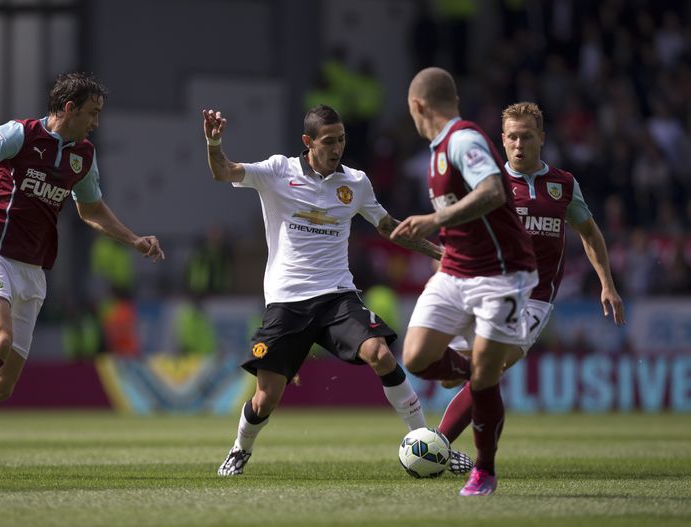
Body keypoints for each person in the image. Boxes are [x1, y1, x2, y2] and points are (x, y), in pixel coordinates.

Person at [202, 104, 471, 477]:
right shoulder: (279, 170)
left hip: (337, 297)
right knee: (266, 398)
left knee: (380, 352)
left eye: (341, 140)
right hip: (287, 301)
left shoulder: (356, 183)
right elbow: (223, 172)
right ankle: (239, 449)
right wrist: (214, 143)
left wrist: (439, 253)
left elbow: (389, 226)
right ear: (307, 142)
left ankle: (429, 442)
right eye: (328, 141)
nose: (337, 148)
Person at [0, 72, 164, 478]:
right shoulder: (18, 134)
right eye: (92, 113)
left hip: (32, 271)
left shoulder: (83, 156)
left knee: (1, 387)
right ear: (69, 108)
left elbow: (90, 210)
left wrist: (133, 239)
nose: (96, 122)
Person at [437, 101, 626, 445]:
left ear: (542, 137)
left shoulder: (563, 185)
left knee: (489, 368)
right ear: (502, 140)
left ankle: (437, 444)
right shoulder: (486, 183)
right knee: (452, 376)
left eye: (526, 137)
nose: (519, 145)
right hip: (485, 289)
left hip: (534, 299)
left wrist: (607, 285)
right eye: (512, 137)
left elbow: (589, 232)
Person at [391, 67, 538, 496]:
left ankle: (484, 471)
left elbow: (493, 191)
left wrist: (433, 219)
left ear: (418, 106)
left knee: (487, 376)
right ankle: (472, 369)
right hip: (456, 269)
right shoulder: (438, 150)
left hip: (501, 274)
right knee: (416, 358)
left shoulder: (463, 140)